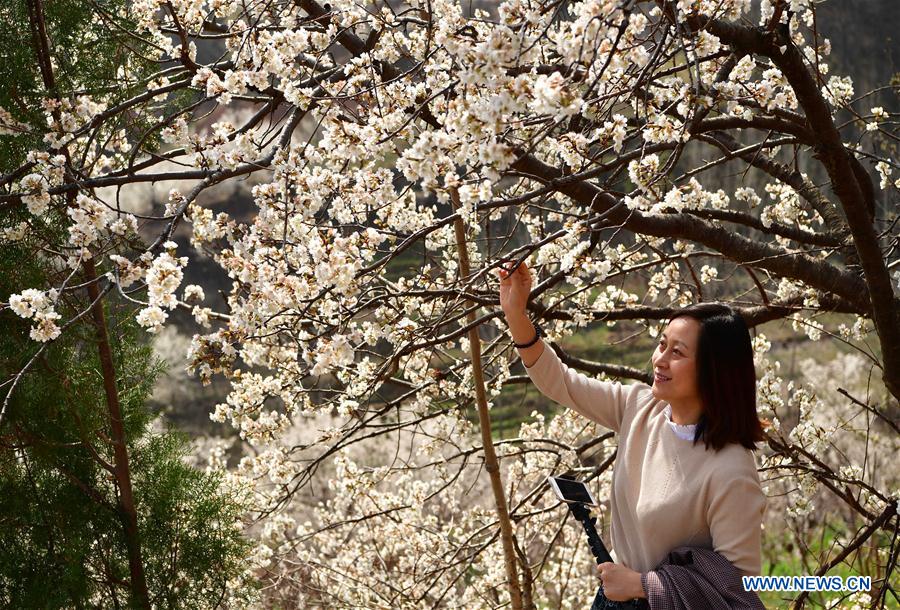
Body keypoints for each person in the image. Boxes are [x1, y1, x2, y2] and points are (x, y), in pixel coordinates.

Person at [497, 259, 767, 603]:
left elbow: (738, 593)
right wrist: (516, 314)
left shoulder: (731, 470)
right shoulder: (641, 409)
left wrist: (644, 586)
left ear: (713, 370)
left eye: (678, 352)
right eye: (662, 344)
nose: (660, 359)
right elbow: (561, 382)